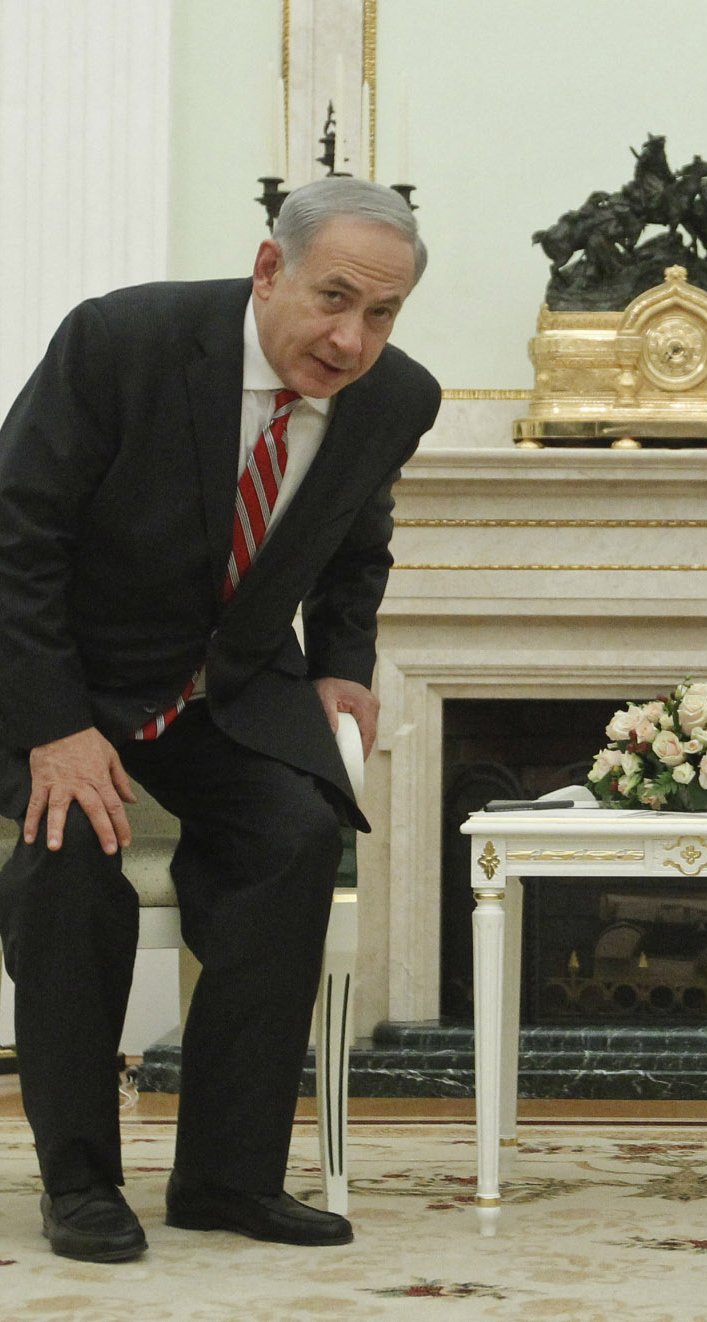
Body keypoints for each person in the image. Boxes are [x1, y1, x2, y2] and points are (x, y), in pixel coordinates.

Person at [0, 177, 441, 1262]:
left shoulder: (396, 398)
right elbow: (18, 538)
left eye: (380, 315)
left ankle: (225, 1177)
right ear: (266, 268)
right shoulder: (122, 341)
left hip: (221, 688)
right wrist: (55, 728)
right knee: (68, 863)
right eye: (332, 298)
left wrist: (341, 664)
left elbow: (357, 535)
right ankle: (82, 1181)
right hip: (59, 676)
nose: (350, 339)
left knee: (291, 838)